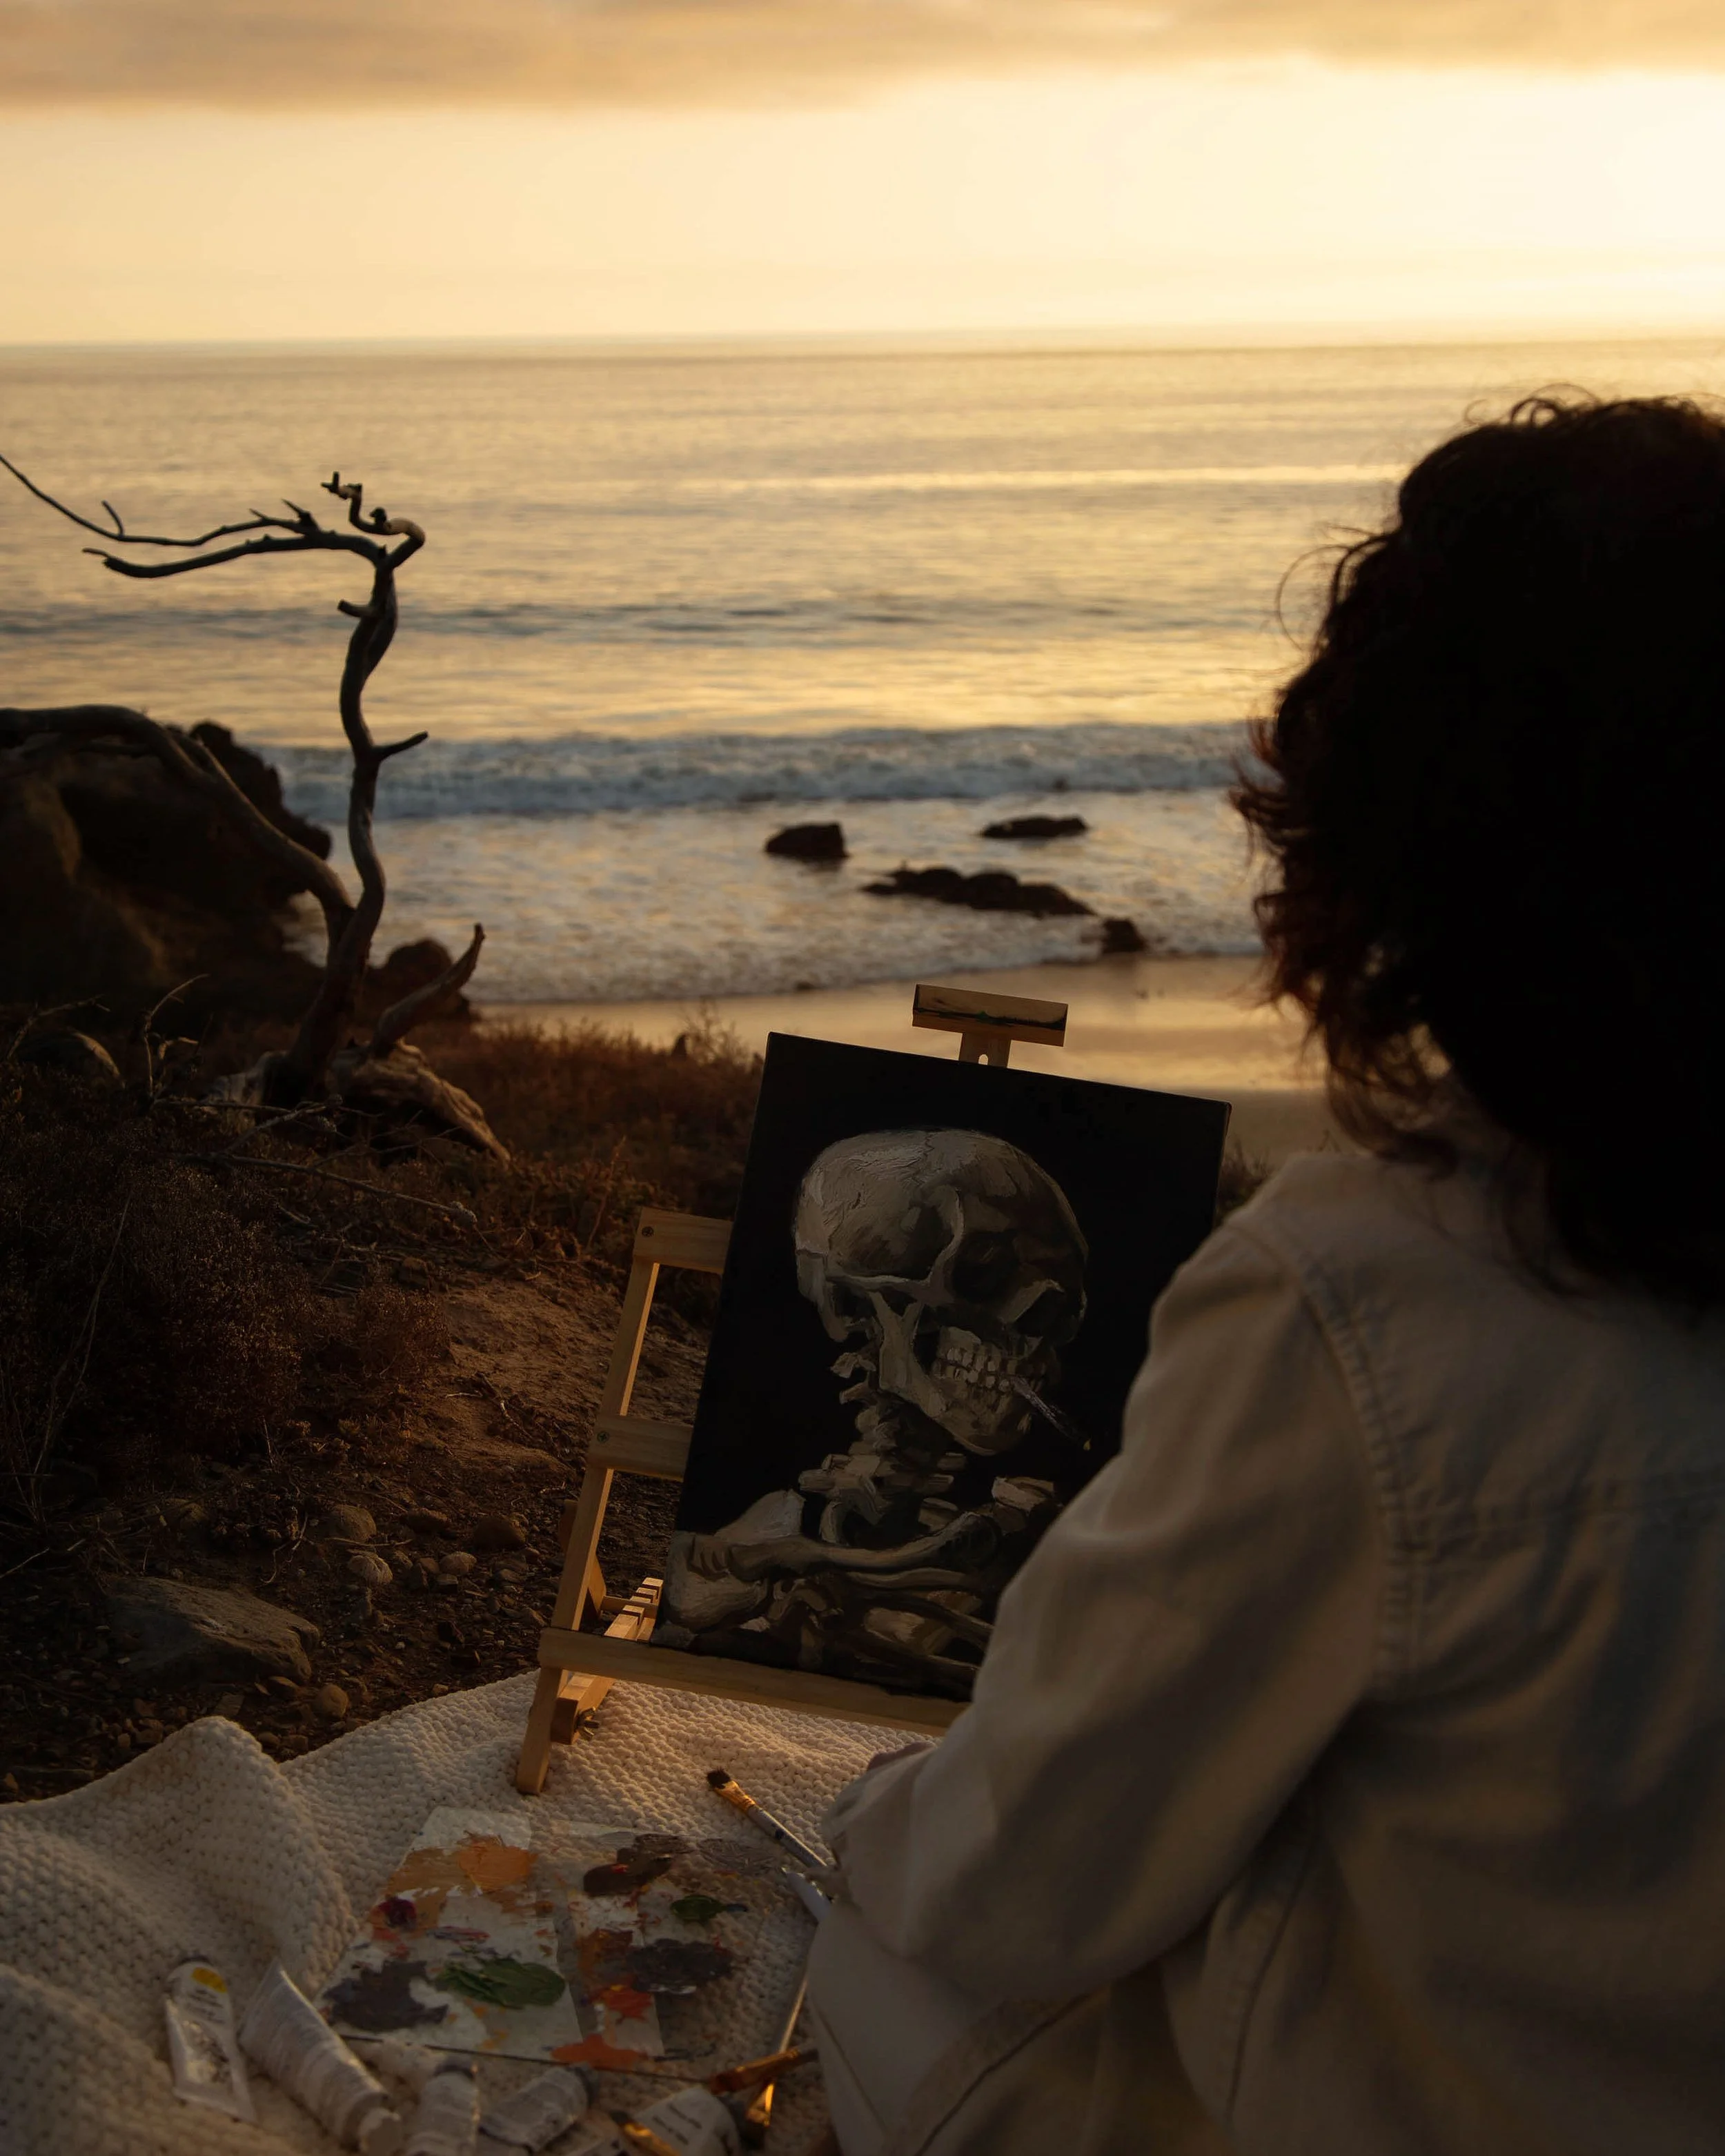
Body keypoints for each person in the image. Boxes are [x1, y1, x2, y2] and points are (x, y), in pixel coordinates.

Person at [803, 394, 1725, 2156]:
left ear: (1402, 826)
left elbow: (1021, 1889)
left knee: (876, 1929)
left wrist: (878, 1812)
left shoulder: (1365, 1295)